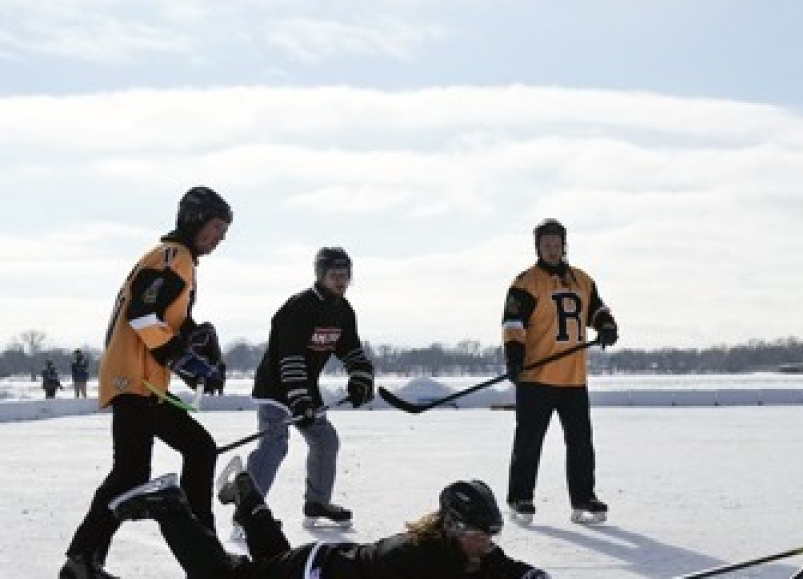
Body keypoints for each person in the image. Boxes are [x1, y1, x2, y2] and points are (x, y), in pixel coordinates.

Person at [60, 186, 232, 579]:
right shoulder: (176, 257)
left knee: (199, 448)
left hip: (146, 384)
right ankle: (80, 560)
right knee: (130, 473)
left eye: (224, 230)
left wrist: (193, 336)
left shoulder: (173, 259)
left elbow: (160, 316)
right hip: (134, 382)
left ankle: (204, 549)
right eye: (216, 227)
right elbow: (142, 314)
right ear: (194, 220)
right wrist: (182, 357)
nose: (220, 237)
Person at [106, 458, 549, 578]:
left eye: (491, 534)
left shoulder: (467, 551)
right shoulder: (420, 561)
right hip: (313, 572)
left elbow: (503, 569)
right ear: (453, 527)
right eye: (478, 534)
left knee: (268, 563)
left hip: (323, 563)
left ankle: (247, 494)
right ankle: (169, 506)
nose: (486, 542)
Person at [245, 247, 376, 535]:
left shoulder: (342, 310)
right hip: (277, 387)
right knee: (274, 446)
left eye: (345, 276)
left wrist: (361, 378)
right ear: (320, 276)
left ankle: (316, 504)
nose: (341, 282)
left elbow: (351, 350)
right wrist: (300, 400)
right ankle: (248, 510)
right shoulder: (301, 306)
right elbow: (289, 356)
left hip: (305, 389)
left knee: (326, 441)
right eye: (334, 276)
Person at [501, 218, 619, 525]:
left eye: (557, 244)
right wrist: (514, 358)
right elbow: (513, 324)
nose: (552, 250)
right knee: (529, 441)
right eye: (546, 245)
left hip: (573, 377)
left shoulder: (582, 279)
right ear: (538, 247)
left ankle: (583, 498)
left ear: (564, 245)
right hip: (537, 377)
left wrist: (606, 325)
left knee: (580, 441)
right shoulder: (525, 282)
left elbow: (597, 309)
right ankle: (520, 498)